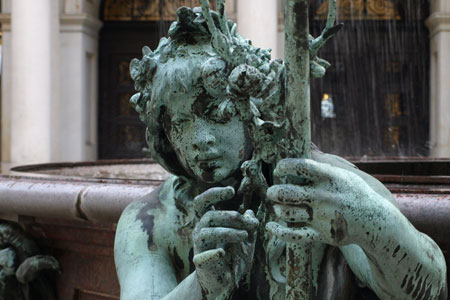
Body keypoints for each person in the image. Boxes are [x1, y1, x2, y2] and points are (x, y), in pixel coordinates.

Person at [114, 5, 447, 300]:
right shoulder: (148, 220)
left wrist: (373, 224)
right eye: (181, 122)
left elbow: (430, 290)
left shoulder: (321, 185)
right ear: (162, 133)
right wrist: (201, 288)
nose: (200, 139)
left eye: (218, 112)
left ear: (251, 107)